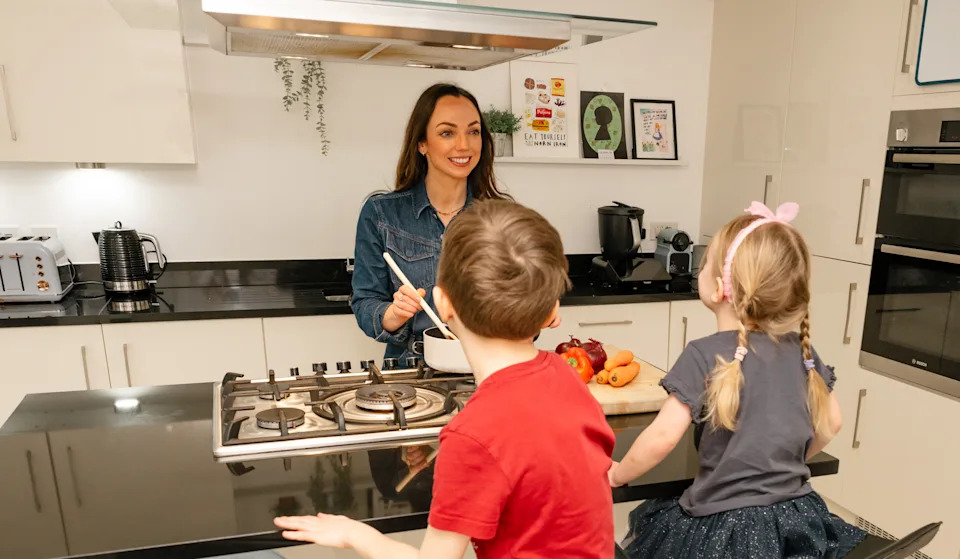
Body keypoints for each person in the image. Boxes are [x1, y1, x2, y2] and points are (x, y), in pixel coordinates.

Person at [276, 200, 616, 559]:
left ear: (443, 304)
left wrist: (357, 535)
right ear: (552, 312)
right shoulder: (567, 375)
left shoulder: (471, 435)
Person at [608, 201, 867, 558]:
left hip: (718, 527)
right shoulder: (802, 351)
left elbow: (662, 437)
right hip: (794, 517)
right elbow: (832, 423)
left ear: (717, 288)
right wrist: (782, 463)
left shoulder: (702, 354)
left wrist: (617, 475)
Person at [351, 83, 514, 363]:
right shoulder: (380, 214)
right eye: (447, 133)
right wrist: (393, 314)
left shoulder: (503, 216)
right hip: (410, 373)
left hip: (483, 368)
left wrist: (532, 312)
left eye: (473, 132)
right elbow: (365, 303)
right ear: (422, 143)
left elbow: (521, 308)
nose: (464, 145)